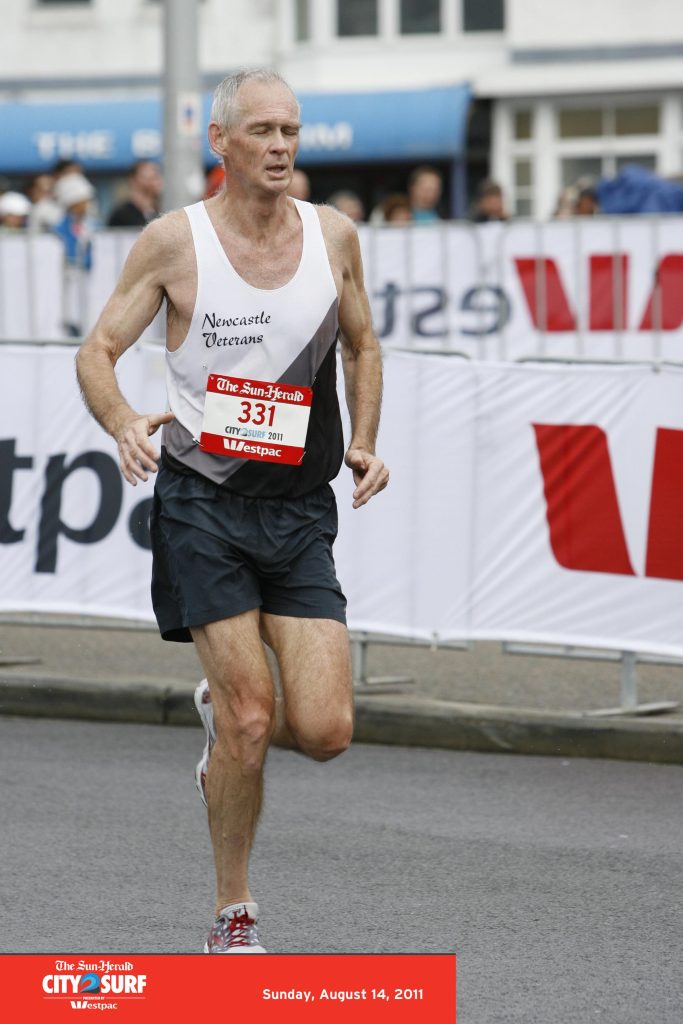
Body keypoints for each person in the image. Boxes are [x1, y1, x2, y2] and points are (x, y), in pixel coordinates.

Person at [75, 68, 389, 954]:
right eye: (261, 131)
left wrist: (363, 438)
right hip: (201, 505)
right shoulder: (175, 244)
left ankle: (224, 712)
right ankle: (233, 916)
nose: (280, 146)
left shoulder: (335, 235)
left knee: (325, 731)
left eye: (290, 129)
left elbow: (363, 345)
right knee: (255, 719)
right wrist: (124, 420)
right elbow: (97, 349)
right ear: (221, 142)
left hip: (298, 509)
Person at [108, 160, 163, 227]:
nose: (157, 182)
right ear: (133, 180)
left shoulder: (161, 211)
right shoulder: (122, 215)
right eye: (151, 178)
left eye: (157, 177)